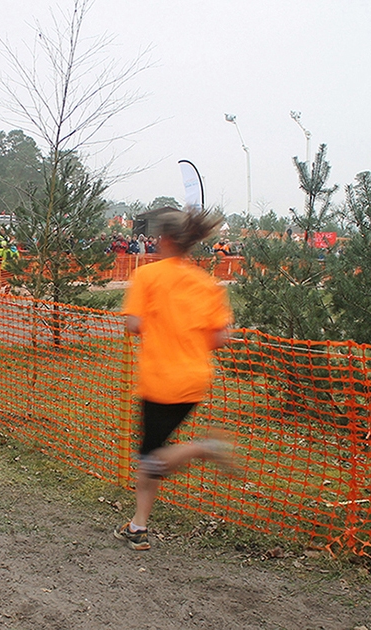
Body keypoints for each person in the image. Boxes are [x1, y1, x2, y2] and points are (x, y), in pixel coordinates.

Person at [113, 207, 236, 552]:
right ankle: (138, 527)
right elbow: (221, 338)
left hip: (160, 379)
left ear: (165, 240)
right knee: (152, 454)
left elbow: (133, 324)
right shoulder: (207, 283)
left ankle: (204, 448)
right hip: (196, 380)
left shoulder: (150, 276)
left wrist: (156, 323)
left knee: (150, 459)